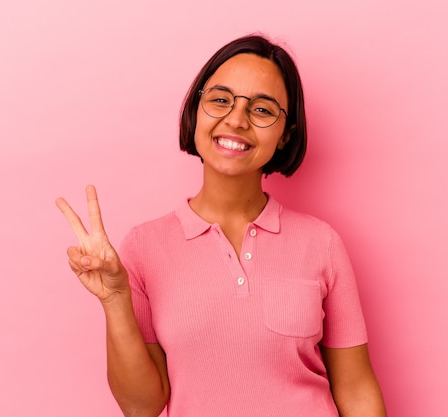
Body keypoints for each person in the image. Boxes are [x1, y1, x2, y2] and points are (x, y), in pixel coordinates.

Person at [56, 34, 386, 417]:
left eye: (262, 110)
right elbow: (141, 406)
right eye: (220, 100)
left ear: (286, 136)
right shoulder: (143, 247)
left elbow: (357, 388)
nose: (236, 119)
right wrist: (114, 300)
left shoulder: (322, 243)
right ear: (197, 111)